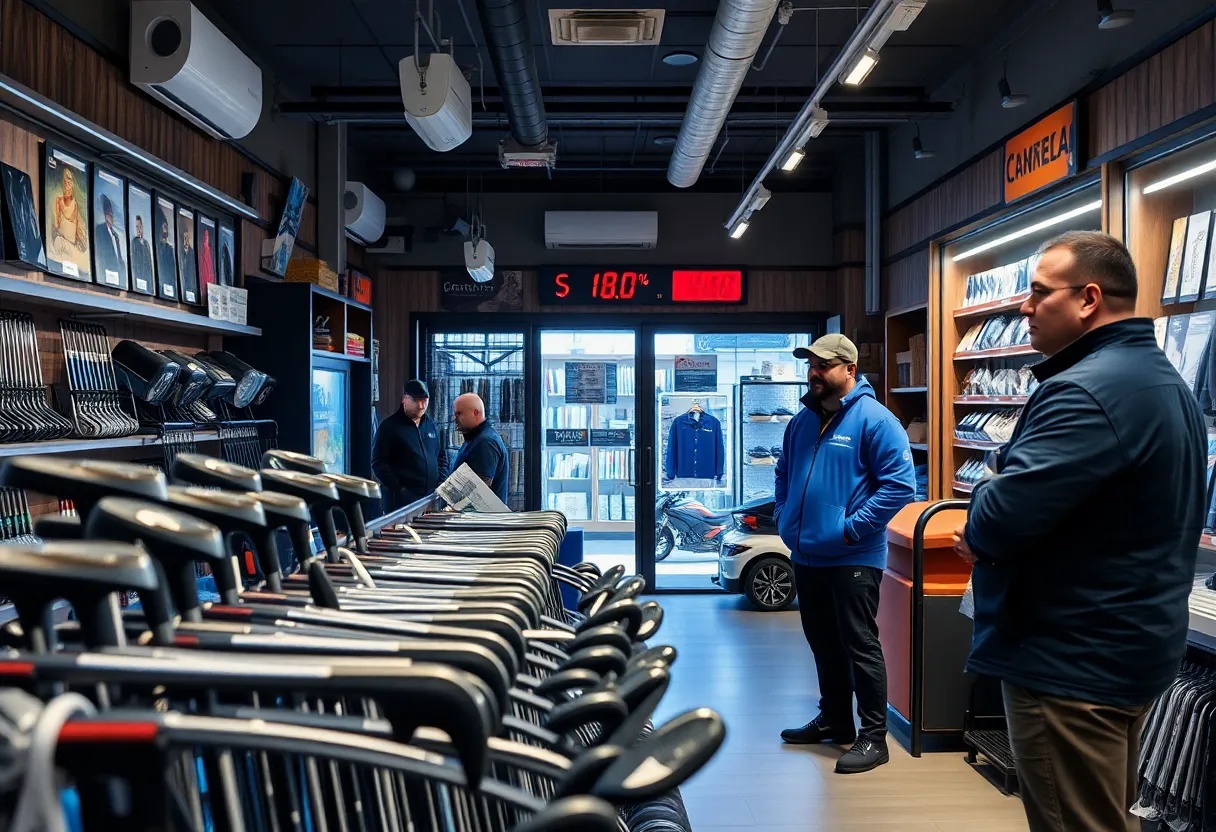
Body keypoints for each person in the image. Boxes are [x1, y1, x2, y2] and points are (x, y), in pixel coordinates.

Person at [954, 231, 1206, 832]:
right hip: (1126, 649)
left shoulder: (1081, 392)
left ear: (1089, 298)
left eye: (1039, 293)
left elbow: (992, 520)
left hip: (1067, 661)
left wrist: (989, 488)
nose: (1024, 307)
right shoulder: (1165, 383)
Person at [774, 333, 916, 774]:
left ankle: (874, 737)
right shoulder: (801, 421)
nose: (814, 373)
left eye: (824, 365)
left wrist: (852, 530)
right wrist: (783, 516)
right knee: (822, 642)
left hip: (853, 557)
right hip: (806, 553)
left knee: (859, 644)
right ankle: (836, 720)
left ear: (850, 370)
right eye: (811, 365)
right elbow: (783, 472)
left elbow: (900, 486)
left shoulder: (876, 420)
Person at [371, 380, 449, 513]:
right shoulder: (389, 426)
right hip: (400, 500)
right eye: (416, 400)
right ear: (404, 399)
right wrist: (399, 488)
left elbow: (441, 456)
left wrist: (441, 483)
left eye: (425, 401)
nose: (421, 406)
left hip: (430, 498)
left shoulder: (431, 424)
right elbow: (378, 463)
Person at [452, 392, 510, 504]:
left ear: (475, 413)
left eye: (459, 413)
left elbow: (477, 495)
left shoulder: (485, 442)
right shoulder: (477, 438)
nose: (454, 418)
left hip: (481, 520)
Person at [93, 194, 125, 282]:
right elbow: (100, 254)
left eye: (112, 215)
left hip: (118, 275)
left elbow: (119, 255)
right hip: (106, 275)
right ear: (106, 215)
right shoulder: (99, 229)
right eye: (110, 215)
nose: (112, 218)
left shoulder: (115, 235)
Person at [129, 214, 154, 291]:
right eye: (137, 227)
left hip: (147, 279)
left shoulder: (146, 243)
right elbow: (134, 263)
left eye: (140, 226)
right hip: (139, 279)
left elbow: (149, 265)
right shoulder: (134, 242)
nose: (139, 229)